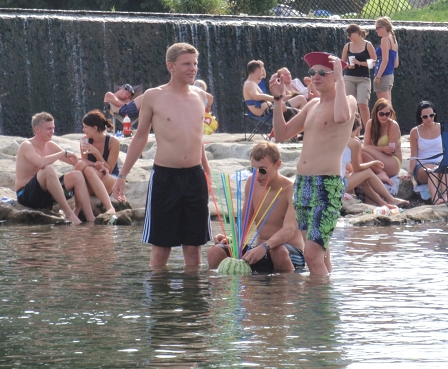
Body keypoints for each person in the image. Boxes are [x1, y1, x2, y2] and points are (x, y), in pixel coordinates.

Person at [112, 42, 212, 267]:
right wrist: (122, 176)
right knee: (161, 248)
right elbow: (140, 137)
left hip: (195, 177)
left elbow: (197, 138)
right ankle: (159, 301)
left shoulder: (200, 96)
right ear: (171, 66)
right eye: (186, 64)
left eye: (195, 64)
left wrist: (207, 170)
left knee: (194, 249)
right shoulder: (153, 96)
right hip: (166, 177)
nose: (192, 68)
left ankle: (193, 300)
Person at [270, 51, 357, 275]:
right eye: (312, 72)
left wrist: (340, 77)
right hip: (303, 184)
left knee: (312, 254)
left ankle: (314, 308)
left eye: (322, 72)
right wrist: (278, 100)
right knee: (321, 252)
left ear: (336, 75)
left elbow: (340, 117)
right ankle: (324, 303)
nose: (315, 77)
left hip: (327, 185)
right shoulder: (311, 105)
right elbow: (281, 134)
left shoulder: (348, 101)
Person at [207, 142, 305, 273]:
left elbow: (289, 230)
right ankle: (226, 291)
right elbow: (245, 222)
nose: (257, 175)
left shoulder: (292, 189)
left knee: (278, 250)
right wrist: (232, 239)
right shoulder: (252, 183)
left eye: (262, 170)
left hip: (289, 252)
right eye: (253, 170)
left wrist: (265, 246)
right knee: (215, 251)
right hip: (260, 249)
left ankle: (286, 289)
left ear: (277, 165)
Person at [15, 112, 96, 225]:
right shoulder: (26, 145)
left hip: (45, 197)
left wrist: (95, 164)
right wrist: (61, 153)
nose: (52, 132)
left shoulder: (50, 145)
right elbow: (39, 163)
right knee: (48, 169)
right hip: (26, 196)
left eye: (53, 128)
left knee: (77, 175)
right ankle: (69, 214)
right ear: (37, 129)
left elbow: (75, 161)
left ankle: (91, 219)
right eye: (49, 129)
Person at [343, 114, 409, 208]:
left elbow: (350, 168)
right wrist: (373, 163)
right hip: (338, 184)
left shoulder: (338, 139)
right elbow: (357, 168)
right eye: (360, 125)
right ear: (357, 127)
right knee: (368, 173)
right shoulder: (354, 143)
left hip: (333, 181)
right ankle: (390, 200)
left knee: (364, 179)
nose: (362, 128)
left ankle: (384, 204)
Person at [74, 109, 118, 213]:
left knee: (89, 170)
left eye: (85, 127)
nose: (83, 130)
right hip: (92, 180)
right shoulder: (84, 140)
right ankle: (77, 208)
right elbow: (84, 162)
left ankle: (110, 208)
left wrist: (97, 154)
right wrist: (95, 164)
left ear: (95, 128)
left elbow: (109, 170)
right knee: (81, 166)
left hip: (109, 179)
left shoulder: (113, 142)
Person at [408, 101, 447, 205]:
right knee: (433, 169)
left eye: (431, 115)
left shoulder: (443, 128)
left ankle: (444, 196)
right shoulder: (415, 131)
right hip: (422, 168)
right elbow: (413, 156)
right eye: (425, 117)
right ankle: (435, 199)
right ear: (420, 117)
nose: (429, 118)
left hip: (441, 164)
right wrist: (410, 173)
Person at [341, 23, 376, 129]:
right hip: (349, 77)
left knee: (363, 104)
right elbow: (342, 63)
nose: (348, 37)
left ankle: (369, 130)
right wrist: (349, 65)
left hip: (363, 78)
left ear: (356, 33)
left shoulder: (367, 45)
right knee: (351, 105)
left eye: (349, 34)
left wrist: (359, 63)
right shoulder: (347, 46)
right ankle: (354, 130)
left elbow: (373, 63)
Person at [362, 98, 403, 186]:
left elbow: (391, 152)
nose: (384, 117)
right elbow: (365, 146)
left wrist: (375, 149)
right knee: (362, 153)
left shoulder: (393, 125)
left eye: (387, 114)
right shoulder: (370, 124)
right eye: (381, 114)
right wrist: (382, 149)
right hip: (378, 159)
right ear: (376, 113)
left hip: (393, 161)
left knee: (362, 149)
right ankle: (378, 173)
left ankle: (381, 173)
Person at [374, 17, 399, 105]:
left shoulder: (384, 40)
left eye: (377, 28)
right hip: (390, 76)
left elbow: (385, 60)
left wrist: (378, 77)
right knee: (388, 106)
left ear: (384, 28)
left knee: (384, 107)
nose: (376, 31)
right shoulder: (394, 40)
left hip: (383, 76)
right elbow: (396, 64)